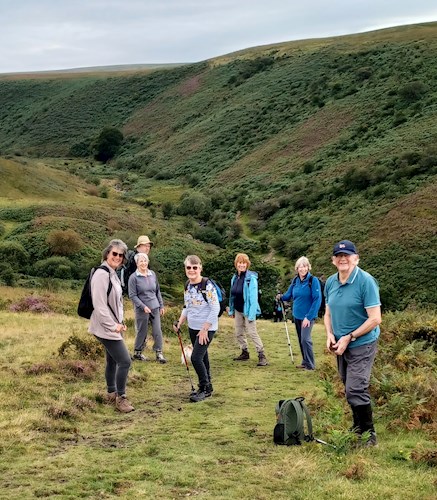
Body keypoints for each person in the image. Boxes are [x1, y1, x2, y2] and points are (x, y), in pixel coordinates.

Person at [324, 240, 381, 446]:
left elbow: (375, 318)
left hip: (362, 342)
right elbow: (328, 313)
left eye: (347, 255)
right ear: (333, 260)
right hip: (340, 343)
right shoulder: (331, 282)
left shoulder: (366, 281)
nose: (343, 259)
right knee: (348, 384)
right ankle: (358, 429)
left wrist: (350, 336)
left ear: (356, 258)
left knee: (355, 388)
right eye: (338, 256)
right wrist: (329, 334)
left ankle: (369, 435)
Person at [88, 239, 134, 413]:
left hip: (112, 324)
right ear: (107, 253)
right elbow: (99, 305)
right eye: (114, 253)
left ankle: (110, 393)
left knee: (112, 361)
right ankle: (121, 399)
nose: (117, 257)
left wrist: (119, 322)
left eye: (121, 255)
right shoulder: (102, 274)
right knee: (125, 361)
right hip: (105, 326)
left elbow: (114, 303)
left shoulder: (112, 273)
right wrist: (112, 326)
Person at [173, 255, 220, 402]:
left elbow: (215, 308)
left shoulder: (207, 286)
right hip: (192, 327)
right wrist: (180, 322)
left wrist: (205, 328)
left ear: (200, 268)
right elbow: (187, 305)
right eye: (189, 267)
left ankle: (204, 387)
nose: (192, 270)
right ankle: (207, 386)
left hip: (206, 328)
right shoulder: (188, 285)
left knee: (195, 357)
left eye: (195, 267)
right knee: (203, 356)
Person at [277, 256, 321, 370]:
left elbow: (317, 300)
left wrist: (309, 317)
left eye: (305, 266)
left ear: (308, 267)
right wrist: (281, 297)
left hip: (308, 316)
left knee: (305, 339)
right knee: (301, 339)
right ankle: (305, 361)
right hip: (297, 315)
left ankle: (310, 365)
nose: (302, 269)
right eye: (300, 267)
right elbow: (288, 295)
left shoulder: (313, 281)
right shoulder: (295, 281)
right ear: (297, 268)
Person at [228, 253, 268, 366]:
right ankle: (244, 352)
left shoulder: (251, 279)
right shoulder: (235, 277)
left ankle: (261, 355)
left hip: (248, 310)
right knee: (238, 332)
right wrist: (231, 310)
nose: (241, 265)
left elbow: (253, 298)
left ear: (247, 264)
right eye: (239, 262)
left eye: (244, 263)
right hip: (238, 309)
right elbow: (232, 295)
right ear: (236, 264)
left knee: (252, 332)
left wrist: (251, 315)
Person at [128, 252, 166, 363]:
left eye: (145, 261)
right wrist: (143, 306)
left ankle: (159, 353)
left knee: (157, 331)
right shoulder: (133, 278)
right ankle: (137, 353)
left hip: (155, 307)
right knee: (142, 331)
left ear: (148, 262)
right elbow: (132, 295)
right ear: (137, 263)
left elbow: (157, 290)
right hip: (141, 309)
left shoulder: (152, 274)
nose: (143, 263)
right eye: (141, 261)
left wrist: (161, 305)